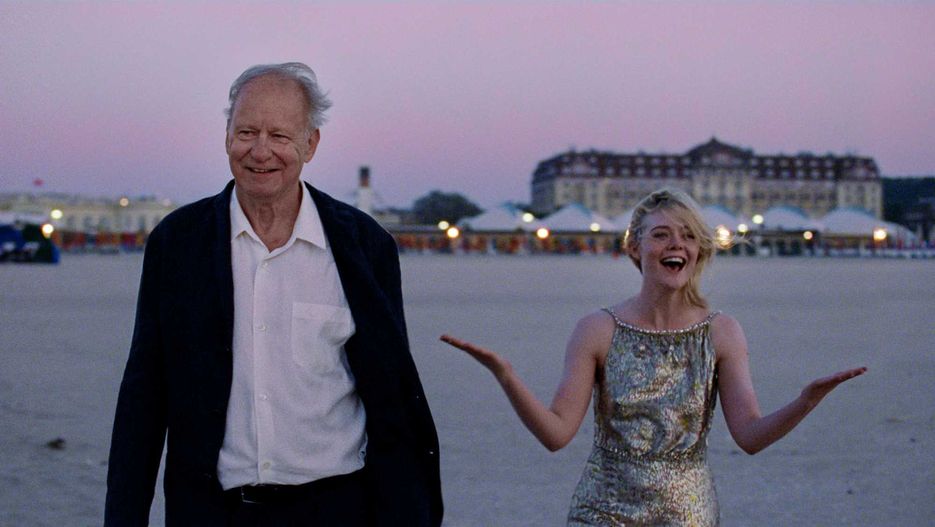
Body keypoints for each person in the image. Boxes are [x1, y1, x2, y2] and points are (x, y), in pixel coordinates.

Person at [105, 62, 442, 526]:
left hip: (338, 510)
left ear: (311, 144)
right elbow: (144, 395)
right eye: (246, 132)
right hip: (212, 511)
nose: (260, 151)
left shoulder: (365, 246)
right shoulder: (177, 243)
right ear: (227, 137)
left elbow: (392, 399)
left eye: (280, 136)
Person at [441, 188, 866, 526]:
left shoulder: (722, 332)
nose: (676, 243)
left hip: (688, 514)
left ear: (699, 250)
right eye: (661, 234)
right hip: (602, 511)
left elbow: (750, 437)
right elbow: (556, 434)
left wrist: (805, 401)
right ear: (634, 247)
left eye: (687, 235)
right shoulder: (597, 329)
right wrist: (506, 375)